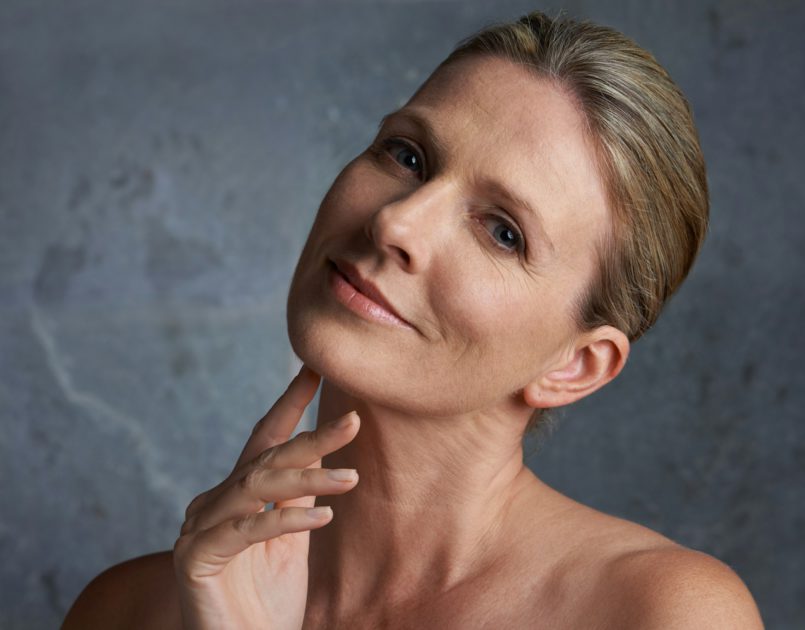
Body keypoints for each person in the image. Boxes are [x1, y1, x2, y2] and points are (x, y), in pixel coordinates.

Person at [64, 11, 763, 629]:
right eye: (407, 155)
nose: (395, 221)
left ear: (574, 365)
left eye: (503, 232)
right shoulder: (130, 611)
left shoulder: (661, 614)